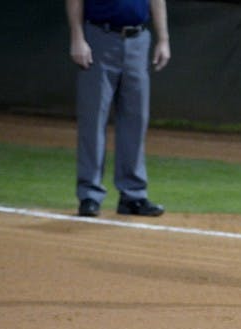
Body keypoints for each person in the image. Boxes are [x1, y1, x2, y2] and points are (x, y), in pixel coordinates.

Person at [67, 0, 170, 218]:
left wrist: (163, 39)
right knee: (93, 119)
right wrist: (77, 37)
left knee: (136, 119)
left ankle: (133, 195)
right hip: (99, 37)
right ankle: (89, 195)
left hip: (138, 39)